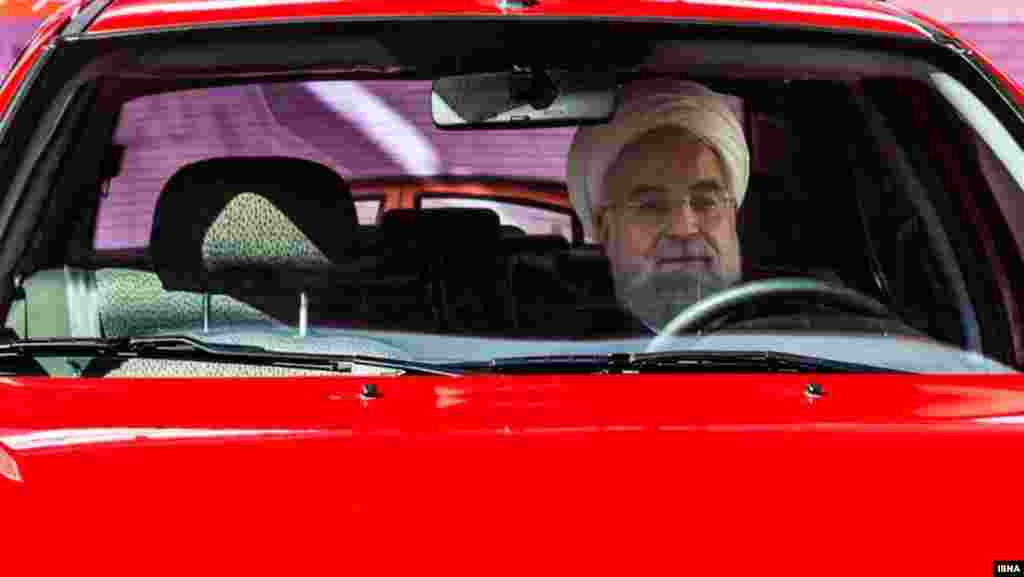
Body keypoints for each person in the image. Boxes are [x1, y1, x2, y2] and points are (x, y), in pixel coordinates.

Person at [566, 78, 751, 331]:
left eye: (705, 202)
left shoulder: (795, 336)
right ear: (604, 228)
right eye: (651, 206)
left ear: (732, 217)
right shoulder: (562, 353)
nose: (684, 229)